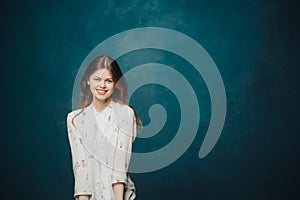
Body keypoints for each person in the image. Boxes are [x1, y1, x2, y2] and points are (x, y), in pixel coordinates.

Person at [66, 56, 139, 200]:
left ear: (115, 84)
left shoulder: (125, 114)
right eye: (97, 79)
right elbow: (81, 168)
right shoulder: (75, 119)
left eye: (108, 81)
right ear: (88, 80)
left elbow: (120, 165)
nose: (102, 85)